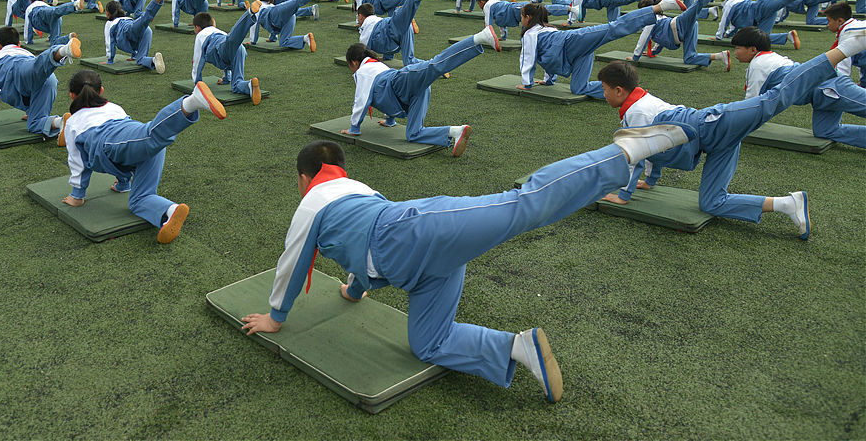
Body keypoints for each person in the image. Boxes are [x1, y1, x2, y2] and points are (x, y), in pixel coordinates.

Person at [239, 125, 691, 402]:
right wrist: (353, 290)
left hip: (412, 232)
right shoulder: (354, 188)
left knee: (521, 206)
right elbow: (357, 250)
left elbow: (293, 261)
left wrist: (276, 317)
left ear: (303, 178)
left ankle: (623, 153)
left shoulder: (312, 203)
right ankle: (517, 348)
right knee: (427, 344)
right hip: (423, 268)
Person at [595, 22, 866, 237]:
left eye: (605, 91)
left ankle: (847, 48)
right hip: (716, 143)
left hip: (713, 124)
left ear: (619, 90)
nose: (603, 95)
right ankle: (787, 204)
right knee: (711, 203)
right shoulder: (638, 104)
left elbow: (636, 155)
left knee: (777, 97)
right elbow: (653, 147)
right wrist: (650, 183)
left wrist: (623, 194)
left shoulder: (637, 111)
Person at [57, 69, 226, 244]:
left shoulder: (73, 123)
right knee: (138, 200)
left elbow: (77, 162)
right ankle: (170, 210)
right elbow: (126, 152)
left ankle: (191, 103)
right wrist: (123, 183)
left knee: (150, 135)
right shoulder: (114, 107)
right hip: (141, 147)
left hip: (111, 141)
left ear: (71, 95)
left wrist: (77, 195)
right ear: (101, 91)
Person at [343, 27, 501, 153]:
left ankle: (480, 37)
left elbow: (362, 100)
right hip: (409, 92)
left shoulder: (363, 71)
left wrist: (354, 128)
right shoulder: (374, 66)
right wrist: (390, 120)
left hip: (402, 82)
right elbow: (380, 94)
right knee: (413, 134)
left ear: (354, 62)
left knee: (436, 65)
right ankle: (455, 132)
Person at [518, 0, 685, 98]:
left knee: (613, 28)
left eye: (522, 16)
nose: (521, 20)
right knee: (578, 89)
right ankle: (629, 91)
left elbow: (529, 58)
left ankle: (659, 7)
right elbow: (546, 57)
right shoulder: (544, 29)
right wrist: (548, 80)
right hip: (577, 53)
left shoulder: (530, 34)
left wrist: (527, 84)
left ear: (529, 17)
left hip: (574, 41)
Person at [732, 26, 865, 148]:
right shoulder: (771, 57)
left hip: (830, 88)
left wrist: (737, 123)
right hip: (821, 96)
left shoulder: (758, 64)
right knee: (825, 131)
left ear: (753, 49)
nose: (735, 53)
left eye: (738, 48)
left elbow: (751, 100)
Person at [0, 26, 82, 137]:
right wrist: (31, 111)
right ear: (19, 44)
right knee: (34, 124)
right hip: (49, 79)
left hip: (17, 69)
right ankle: (61, 122)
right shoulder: (26, 52)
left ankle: (63, 50)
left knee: (35, 68)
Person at [191, 10, 260, 103]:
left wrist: (197, 84)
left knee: (231, 40)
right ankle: (249, 85)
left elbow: (198, 60)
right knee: (236, 85)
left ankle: (249, 14)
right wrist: (226, 79)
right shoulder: (218, 30)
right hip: (240, 49)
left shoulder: (200, 35)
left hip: (217, 46)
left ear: (197, 27)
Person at [102, 0, 165, 71]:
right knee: (140, 60)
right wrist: (134, 56)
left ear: (108, 13)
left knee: (145, 18)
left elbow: (109, 42)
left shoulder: (109, 23)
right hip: (147, 30)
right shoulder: (126, 18)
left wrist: (110, 60)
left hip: (127, 30)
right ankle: (154, 60)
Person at [823, 1, 866, 86]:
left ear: (840, 21)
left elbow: (843, 66)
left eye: (829, 21)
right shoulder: (855, 25)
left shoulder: (848, 32)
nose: (828, 25)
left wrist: (840, 87)